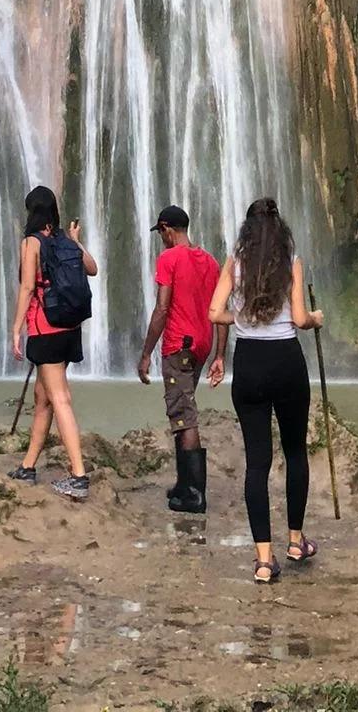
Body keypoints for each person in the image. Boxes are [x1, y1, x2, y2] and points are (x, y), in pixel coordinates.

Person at [208, 196, 323, 584]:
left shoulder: (235, 263)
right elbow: (301, 318)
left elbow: (213, 312)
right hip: (287, 361)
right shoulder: (290, 259)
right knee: (294, 452)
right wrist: (315, 318)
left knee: (257, 462)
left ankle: (262, 559)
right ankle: (295, 540)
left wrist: (239, 318)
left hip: (250, 364)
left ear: (247, 230)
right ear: (279, 230)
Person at [7, 185, 98, 502]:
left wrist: (16, 327)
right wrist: (75, 240)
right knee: (43, 397)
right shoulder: (63, 239)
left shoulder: (32, 242)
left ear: (32, 212)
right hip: (69, 329)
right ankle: (28, 466)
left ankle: (78, 475)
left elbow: (28, 287)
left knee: (59, 398)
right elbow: (92, 268)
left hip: (45, 330)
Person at [136, 203, 220, 513]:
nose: (161, 238)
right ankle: (184, 483)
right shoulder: (210, 261)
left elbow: (161, 309)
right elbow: (219, 310)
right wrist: (219, 353)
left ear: (166, 230)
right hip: (201, 345)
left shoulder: (168, 258)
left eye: (160, 233)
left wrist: (146, 353)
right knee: (182, 408)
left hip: (178, 345)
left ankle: (194, 494)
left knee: (184, 416)